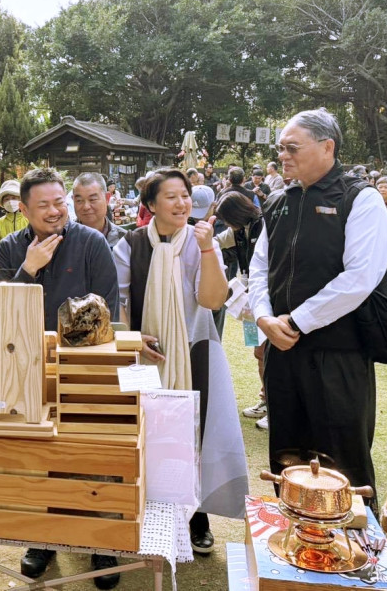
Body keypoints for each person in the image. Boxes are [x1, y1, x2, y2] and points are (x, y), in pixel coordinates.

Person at [249, 109, 387, 511]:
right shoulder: (278, 201)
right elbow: (260, 266)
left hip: (338, 357)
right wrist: (263, 317)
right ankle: (294, 550)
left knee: (342, 465)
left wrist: (296, 321)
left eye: (292, 147)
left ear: (327, 147)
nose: (283, 156)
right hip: (282, 352)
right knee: (287, 458)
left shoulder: (359, 199)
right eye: (280, 148)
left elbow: (361, 277)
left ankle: (354, 562)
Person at [0, 168, 121, 588]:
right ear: (23, 209)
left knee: (93, 454)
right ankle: (42, 539)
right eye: (43, 205)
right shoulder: (11, 248)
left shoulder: (91, 242)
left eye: (58, 202)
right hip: (27, 369)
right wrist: (28, 269)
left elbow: (107, 311)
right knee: (41, 457)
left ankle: (103, 542)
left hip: (86, 367)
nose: (54, 211)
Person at [113, 169, 247, 557]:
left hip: (195, 348)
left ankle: (196, 516)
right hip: (145, 353)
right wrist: (131, 340)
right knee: (146, 432)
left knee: (195, 432)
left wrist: (207, 250)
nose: (180, 203)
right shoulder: (132, 244)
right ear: (151, 205)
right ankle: (148, 510)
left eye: (184, 195)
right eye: (169, 197)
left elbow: (212, 300)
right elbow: (119, 301)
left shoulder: (202, 241)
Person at [214, 191, 268, 429]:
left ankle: (276, 406)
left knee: (268, 353)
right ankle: (265, 399)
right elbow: (215, 242)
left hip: (265, 299)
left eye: (226, 218)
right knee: (258, 352)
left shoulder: (263, 225)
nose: (225, 223)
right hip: (246, 299)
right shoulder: (237, 231)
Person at [73, 172, 126, 248]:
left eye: (92, 199)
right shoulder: (63, 240)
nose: (86, 207)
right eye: (79, 200)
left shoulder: (124, 240)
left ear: (107, 198)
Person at [0, 180, 28, 256]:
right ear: (2, 202)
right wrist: (4, 255)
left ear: (21, 200)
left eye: (14, 198)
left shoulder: (29, 219)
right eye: (6, 199)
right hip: (5, 266)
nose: (10, 202)